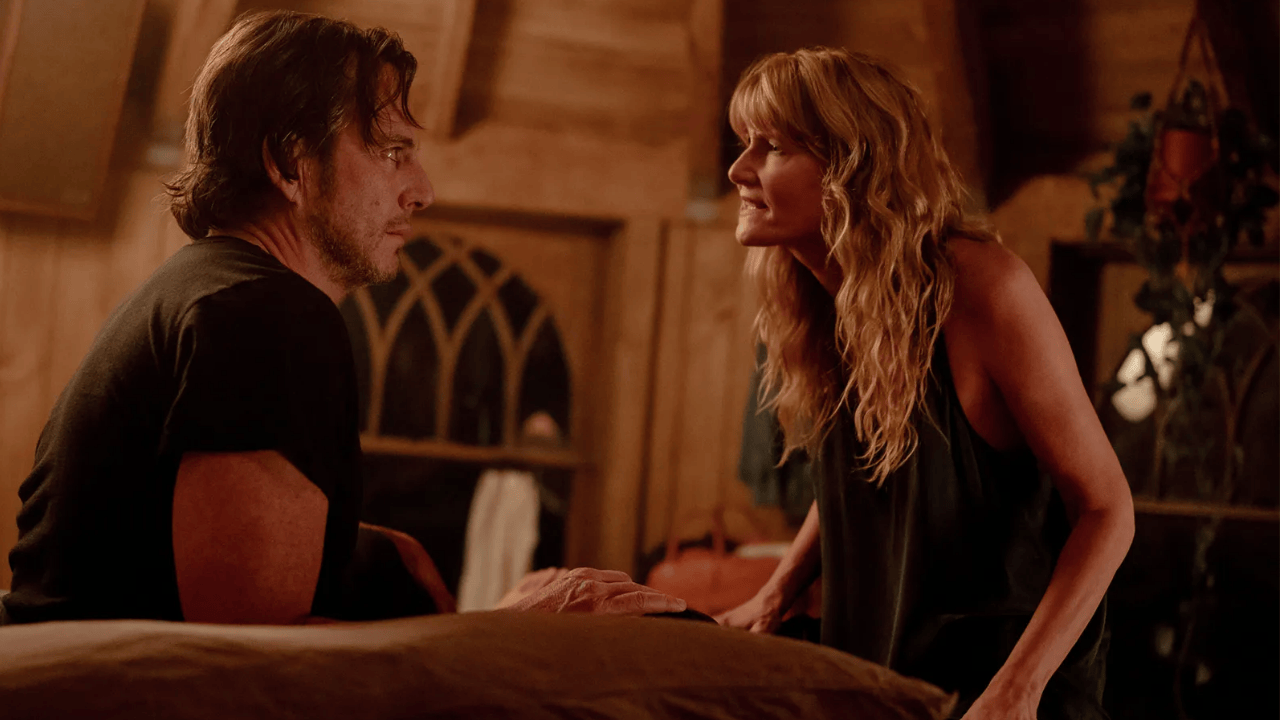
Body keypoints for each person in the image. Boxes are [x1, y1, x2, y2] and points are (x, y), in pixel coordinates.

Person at [0, 10, 684, 626]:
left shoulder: (209, 291)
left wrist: (375, 552)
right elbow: (252, 664)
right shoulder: (264, 312)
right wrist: (504, 631)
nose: (421, 190)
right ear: (290, 163)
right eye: (391, 151)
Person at [715, 48, 1135, 720]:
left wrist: (1018, 690)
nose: (739, 170)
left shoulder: (983, 289)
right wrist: (776, 591)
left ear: (851, 167)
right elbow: (870, 473)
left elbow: (1107, 509)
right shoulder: (823, 304)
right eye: (745, 144)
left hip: (1001, 694)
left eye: (773, 148)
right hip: (886, 686)